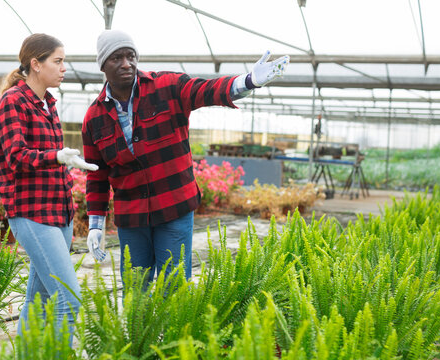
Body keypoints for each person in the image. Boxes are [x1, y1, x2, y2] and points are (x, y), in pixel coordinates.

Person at [81, 29, 289, 283]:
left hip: (173, 208)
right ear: (103, 65)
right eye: (117, 58)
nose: (127, 64)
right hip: (132, 216)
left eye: (131, 56)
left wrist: (247, 81)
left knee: (174, 287)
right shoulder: (94, 117)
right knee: (136, 291)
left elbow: (207, 90)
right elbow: (97, 175)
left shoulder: (166, 86)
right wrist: (95, 224)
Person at [0, 33, 98, 344]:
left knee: (37, 305)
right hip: (31, 214)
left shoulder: (47, 102)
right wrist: (57, 156)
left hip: (57, 214)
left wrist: (65, 163)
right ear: (36, 64)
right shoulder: (13, 102)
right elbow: (15, 157)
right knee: (69, 299)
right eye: (58, 61)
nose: (64, 68)